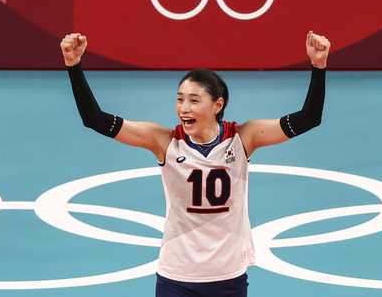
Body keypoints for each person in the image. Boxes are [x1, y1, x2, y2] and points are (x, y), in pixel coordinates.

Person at [60, 31, 331, 297]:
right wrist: (74, 65)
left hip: (229, 276)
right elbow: (95, 119)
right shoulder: (164, 142)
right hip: (176, 277)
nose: (184, 108)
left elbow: (309, 119)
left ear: (217, 105)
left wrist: (318, 67)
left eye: (193, 100)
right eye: (179, 99)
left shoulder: (243, 138)